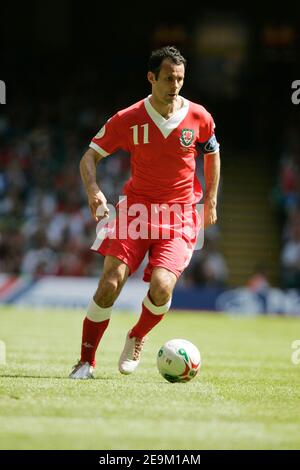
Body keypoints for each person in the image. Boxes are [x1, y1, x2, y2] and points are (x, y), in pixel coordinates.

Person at [69, 46, 221, 379]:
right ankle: (85, 362)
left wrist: (209, 197)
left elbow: (212, 154)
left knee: (163, 286)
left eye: (180, 78)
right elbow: (89, 157)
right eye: (169, 78)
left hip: (180, 215)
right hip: (136, 212)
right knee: (110, 283)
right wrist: (94, 191)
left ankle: (137, 335)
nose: (175, 85)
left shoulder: (199, 116)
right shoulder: (128, 118)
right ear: (152, 78)